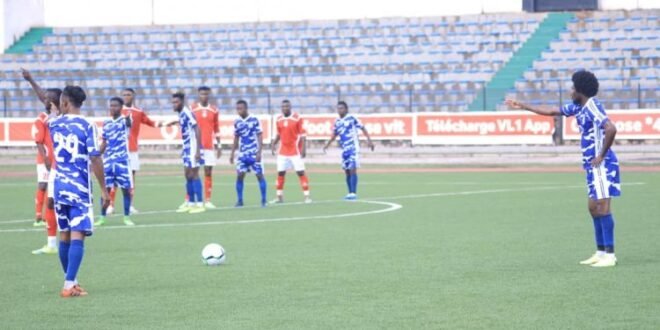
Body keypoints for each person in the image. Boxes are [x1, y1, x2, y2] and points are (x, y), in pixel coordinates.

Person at [506, 70, 619, 267]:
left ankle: (610, 255)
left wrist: (601, 155)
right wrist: (523, 106)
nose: (570, 90)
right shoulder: (578, 107)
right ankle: (600, 252)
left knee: (602, 206)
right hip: (592, 166)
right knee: (593, 208)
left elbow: (611, 128)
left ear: (580, 90)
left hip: (602, 164)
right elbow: (551, 112)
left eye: (573, 88)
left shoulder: (592, 106)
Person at [49, 85, 109, 297]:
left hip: (59, 185)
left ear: (64, 102)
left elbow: (55, 122)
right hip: (79, 186)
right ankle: (68, 286)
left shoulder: (53, 124)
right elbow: (93, 157)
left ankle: (71, 280)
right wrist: (104, 189)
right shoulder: (88, 125)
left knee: (64, 234)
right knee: (78, 234)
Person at [21, 68, 60, 255]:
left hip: (69, 168)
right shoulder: (46, 118)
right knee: (51, 202)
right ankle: (51, 244)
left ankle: (72, 239)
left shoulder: (65, 118)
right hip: (53, 166)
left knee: (67, 204)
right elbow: (43, 97)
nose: (47, 100)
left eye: (51, 99)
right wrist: (31, 81)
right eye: (46, 99)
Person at [106, 88, 157, 214]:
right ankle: (110, 205)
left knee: (130, 178)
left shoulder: (139, 112)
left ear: (133, 96)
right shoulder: (117, 111)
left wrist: (164, 124)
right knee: (115, 178)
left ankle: (130, 205)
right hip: (118, 150)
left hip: (132, 150)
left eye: (128, 94)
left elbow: (150, 123)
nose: (126, 97)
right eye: (124, 94)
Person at [323, 101, 374, 200]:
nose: (339, 110)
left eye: (342, 108)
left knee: (352, 168)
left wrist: (369, 141)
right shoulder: (337, 121)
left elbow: (363, 128)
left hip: (353, 148)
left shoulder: (352, 118)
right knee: (346, 171)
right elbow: (334, 134)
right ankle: (350, 192)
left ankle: (354, 193)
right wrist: (327, 145)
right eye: (338, 108)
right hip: (344, 149)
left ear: (346, 109)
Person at [95, 97, 135, 226]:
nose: (113, 108)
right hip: (108, 161)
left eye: (116, 106)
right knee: (105, 190)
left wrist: (128, 119)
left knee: (126, 190)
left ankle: (127, 217)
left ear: (121, 107)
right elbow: (104, 142)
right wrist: (97, 155)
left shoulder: (125, 121)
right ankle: (102, 216)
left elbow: (129, 123)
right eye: (111, 105)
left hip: (122, 161)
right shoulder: (106, 123)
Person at [165, 92, 206, 214]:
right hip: (187, 148)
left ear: (182, 102)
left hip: (194, 147)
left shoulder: (187, 112)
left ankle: (199, 204)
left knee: (194, 174)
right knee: (187, 175)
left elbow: (197, 128)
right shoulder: (182, 114)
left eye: (176, 102)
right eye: (173, 102)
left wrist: (198, 150)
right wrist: (175, 122)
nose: (174, 104)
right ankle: (190, 203)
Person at [183, 86, 221, 209]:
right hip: (195, 145)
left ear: (209, 94)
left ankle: (208, 200)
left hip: (209, 146)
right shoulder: (192, 108)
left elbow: (216, 128)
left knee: (208, 172)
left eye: (206, 94)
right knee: (192, 173)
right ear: (198, 94)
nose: (204, 96)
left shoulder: (214, 110)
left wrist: (219, 145)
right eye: (202, 94)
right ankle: (188, 199)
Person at [270, 100, 311, 204]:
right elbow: (279, 134)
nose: (285, 108)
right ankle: (279, 197)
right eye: (283, 106)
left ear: (290, 107)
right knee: (280, 174)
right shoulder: (278, 119)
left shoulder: (297, 118)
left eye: (287, 106)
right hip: (282, 151)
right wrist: (274, 143)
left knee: (300, 173)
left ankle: (307, 197)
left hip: (295, 151)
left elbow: (303, 135)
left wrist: (304, 149)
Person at [229, 100, 267, 207]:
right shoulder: (237, 122)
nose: (239, 111)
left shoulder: (254, 119)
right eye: (237, 109)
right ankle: (240, 200)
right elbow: (236, 137)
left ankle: (264, 200)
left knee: (259, 175)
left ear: (246, 108)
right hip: (242, 154)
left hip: (254, 153)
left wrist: (259, 152)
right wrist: (232, 153)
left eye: (241, 108)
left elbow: (260, 135)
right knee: (240, 175)